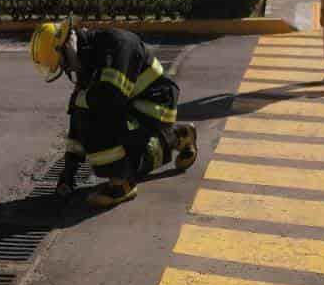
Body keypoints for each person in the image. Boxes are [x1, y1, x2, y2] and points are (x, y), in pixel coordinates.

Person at [29, 18, 198, 209]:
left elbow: (108, 103)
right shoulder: (85, 55)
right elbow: (78, 113)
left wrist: (81, 103)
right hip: (135, 106)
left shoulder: (116, 46)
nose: (67, 69)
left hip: (156, 107)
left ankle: (122, 185)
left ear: (67, 44)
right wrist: (69, 171)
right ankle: (179, 135)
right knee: (87, 112)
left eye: (63, 63)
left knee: (99, 125)